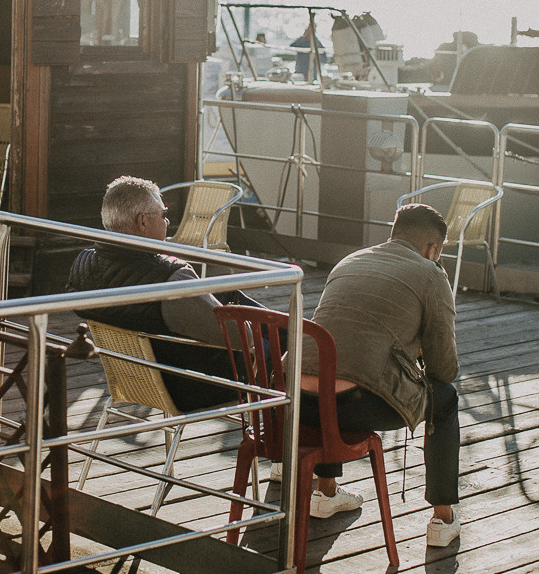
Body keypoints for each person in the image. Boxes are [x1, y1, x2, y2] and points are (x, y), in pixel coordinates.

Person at [301, 202, 460, 547]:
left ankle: (325, 492)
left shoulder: (349, 261)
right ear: (433, 248)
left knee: (342, 367)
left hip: (299, 402)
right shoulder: (431, 273)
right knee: (444, 399)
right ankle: (443, 518)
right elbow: (443, 369)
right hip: (353, 404)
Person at [66, 175, 264, 412]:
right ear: (142, 222)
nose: (168, 221)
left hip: (137, 381)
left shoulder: (83, 265)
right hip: (196, 386)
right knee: (280, 342)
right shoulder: (170, 280)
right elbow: (242, 339)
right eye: (163, 214)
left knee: (230, 295)